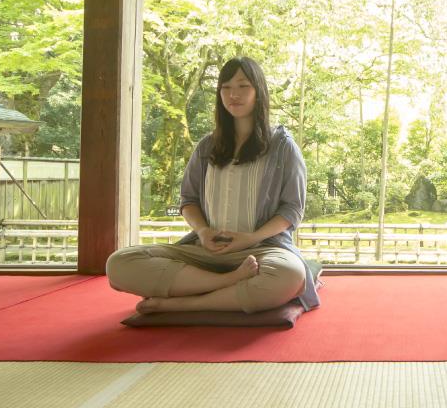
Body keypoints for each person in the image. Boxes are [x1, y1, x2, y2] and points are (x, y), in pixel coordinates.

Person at [106, 56, 318, 315]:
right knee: (120, 263)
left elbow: (291, 209)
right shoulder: (208, 146)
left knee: (290, 275)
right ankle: (227, 282)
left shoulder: (282, 147)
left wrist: (249, 239)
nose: (233, 94)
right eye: (226, 87)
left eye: (243, 86)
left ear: (259, 92)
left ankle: (185, 304)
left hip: (259, 252)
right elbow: (188, 199)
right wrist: (204, 232)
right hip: (205, 250)